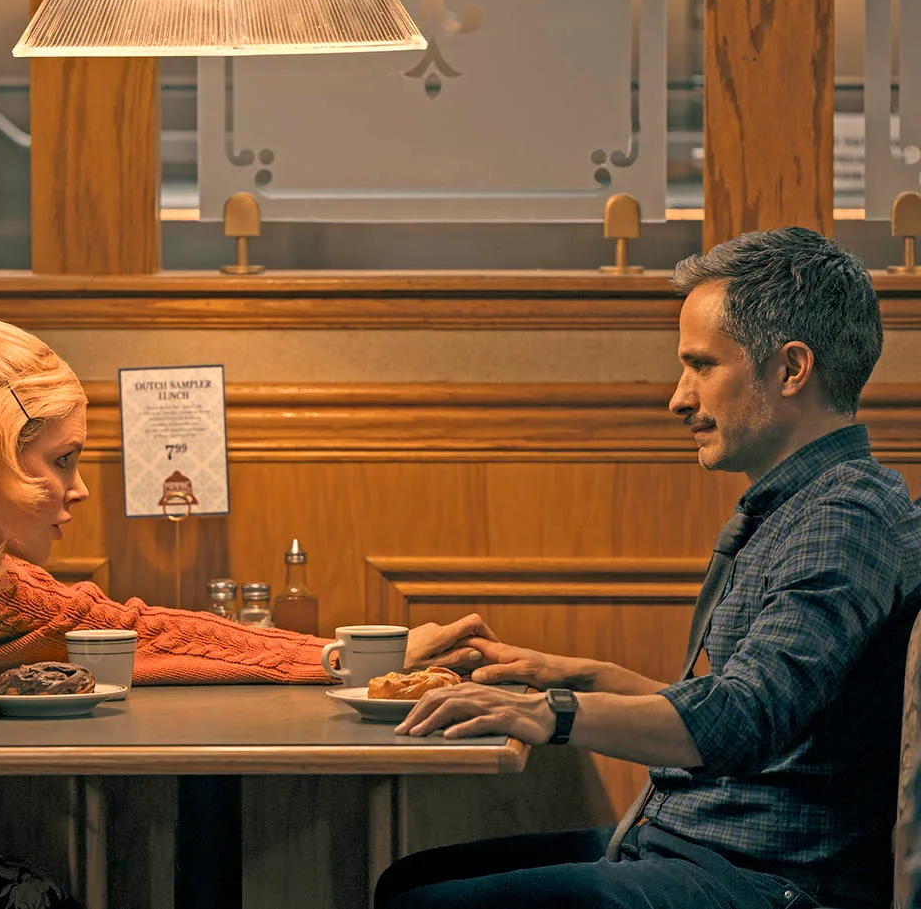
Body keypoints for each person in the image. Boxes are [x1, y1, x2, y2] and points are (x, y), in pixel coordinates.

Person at [0, 316, 493, 909]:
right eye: (62, 460)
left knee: (31, 889)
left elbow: (123, 625)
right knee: (27, 895)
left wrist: (342, 656)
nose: (79, 488)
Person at [377, 227, 921, 909]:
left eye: (701, 366)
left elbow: (744, 716)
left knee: (418, 904)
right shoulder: (811, 505)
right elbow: (740, 702)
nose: (678, 398)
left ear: (790, 369)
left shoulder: (847, 516)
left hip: (763, 878)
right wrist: (567, 674)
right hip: (698, 845)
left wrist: (551, 711)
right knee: (407, 883)